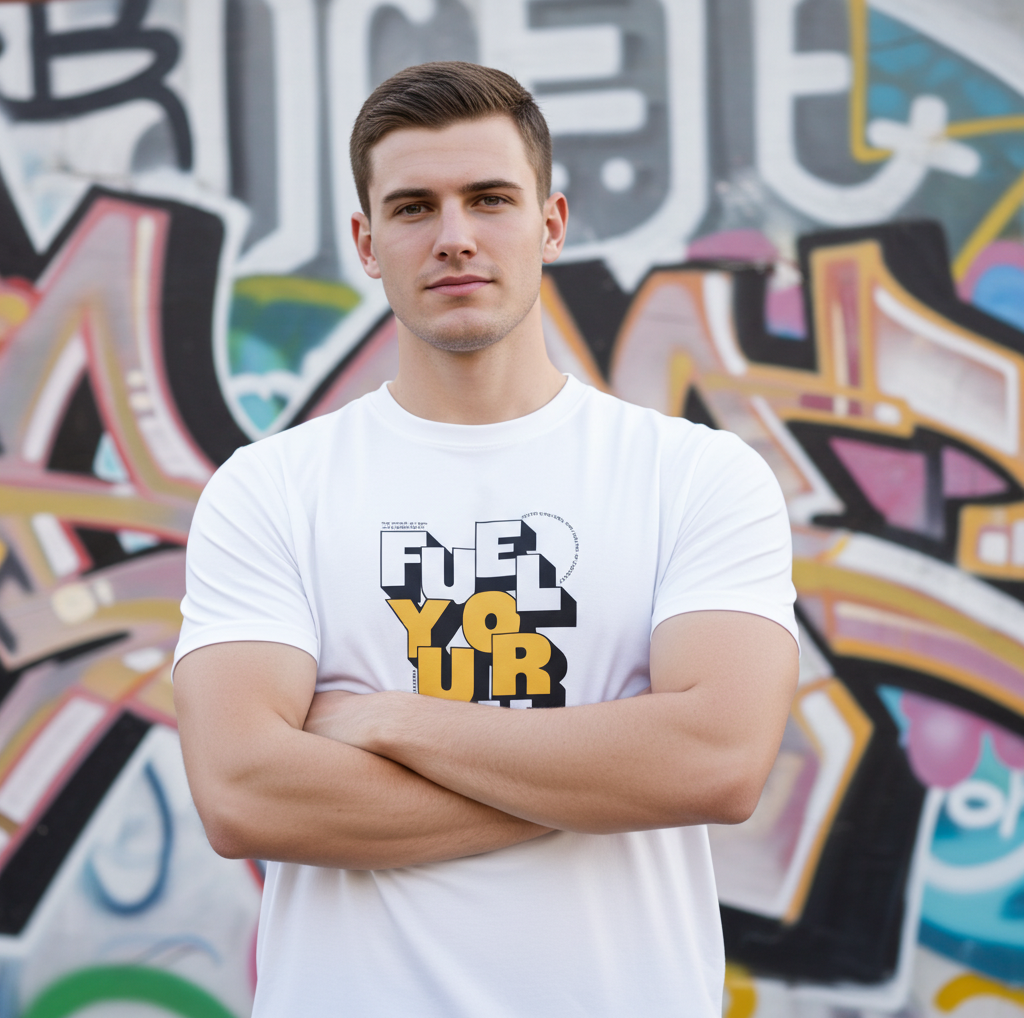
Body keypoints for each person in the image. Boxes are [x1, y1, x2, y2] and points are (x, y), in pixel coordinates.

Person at [173, 61, 799, 1017]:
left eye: (490, 199)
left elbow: (715, 762)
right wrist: (604, 777)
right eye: (415, 207)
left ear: (549, 223)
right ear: (367, 241)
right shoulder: (270, 491)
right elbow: (246, 795)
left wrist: (391, 721)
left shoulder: (695, 476)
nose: (455, 237)